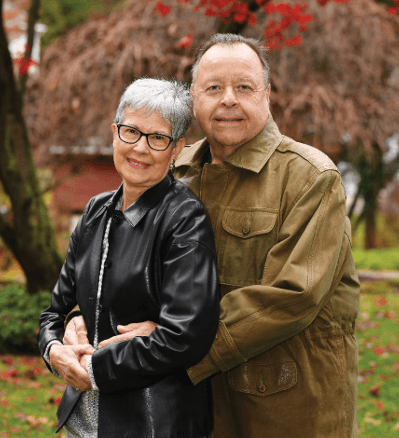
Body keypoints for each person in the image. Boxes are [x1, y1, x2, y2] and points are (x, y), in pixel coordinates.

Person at [65, 34, 361, 437]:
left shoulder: (309, 177)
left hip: (283, 404)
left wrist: (176, 337)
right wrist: (81, 314)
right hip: (188, 406)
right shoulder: (171, 165)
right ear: (193, 97)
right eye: (213, 87)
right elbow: (120, 260)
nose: (228, 100)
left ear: (267, 95)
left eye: (244, 87)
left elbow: (294, 295)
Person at [38, 78, 220, 438]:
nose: (140, 148)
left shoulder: (185, 218)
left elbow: (186, 336)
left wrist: (93, 370)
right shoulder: (94, 211)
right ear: (114, 133)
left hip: (151, 423)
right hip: (84, 422)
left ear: (176, 149)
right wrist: (53, 349)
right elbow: (54, 312)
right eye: (131, 131)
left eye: (158, 138)